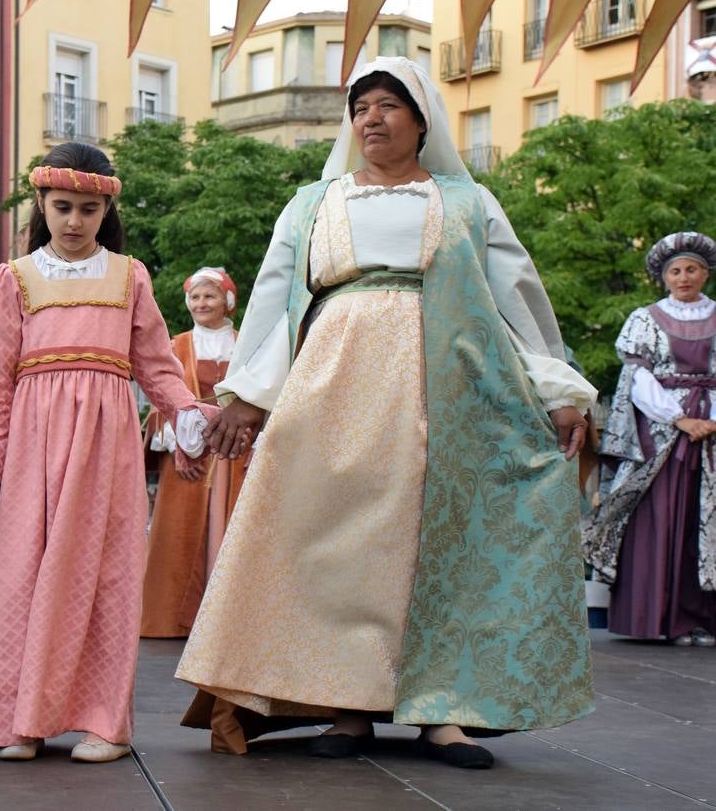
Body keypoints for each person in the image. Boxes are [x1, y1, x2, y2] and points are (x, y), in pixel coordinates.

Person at [175, 57, 597, 770]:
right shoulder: (315, 201)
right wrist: (248, 392)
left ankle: (447, 711)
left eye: (389, 104)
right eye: (361, 105)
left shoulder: (467, 201)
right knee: (336, 539)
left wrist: (558, 390)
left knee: (442, 539)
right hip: (335, 380)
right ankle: (344, 703)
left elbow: (517, 299)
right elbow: (279, 296)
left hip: (457, 385)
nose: (372, 117)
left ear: (421, 118)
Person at [0, 143, 212, 763]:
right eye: (62, 207)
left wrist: (186, 411)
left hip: (105, 443)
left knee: (103, 575)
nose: (75, 221)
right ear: (42, 206)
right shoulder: (15, 278)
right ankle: (21, 719)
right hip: (31, 442)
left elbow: (156, 365)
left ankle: (104, 722)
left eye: (88, 209)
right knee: (21, 573)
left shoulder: (129, 275)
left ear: (105, 209)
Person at [587, 232, 716, 647]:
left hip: (712, 428)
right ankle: (661, 618)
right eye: (675, 270)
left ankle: (702, 618)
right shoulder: (645, 318)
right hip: (659, 437)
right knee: (660, 518)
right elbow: (639, 379)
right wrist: (680, 419)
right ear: (663, 277)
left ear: (705, 274)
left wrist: (710, 420)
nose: (684, 277)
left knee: (704, 521)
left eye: (692, 269)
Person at [140, 267, 248, 638]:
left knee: (235, 529)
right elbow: (161, 396)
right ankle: (169, 617)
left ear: (228, 302)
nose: (202, 303)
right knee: (178, 531)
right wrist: (179, 443)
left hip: (236, 451)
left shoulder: (245, 342)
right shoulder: (176, 344)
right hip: (189, 451)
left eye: (210, 296)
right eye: (196, 297)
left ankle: (226, 624)